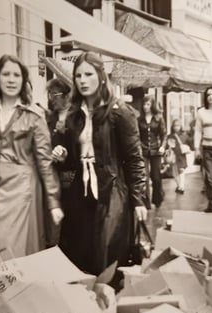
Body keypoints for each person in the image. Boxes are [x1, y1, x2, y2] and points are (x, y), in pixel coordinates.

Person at [54, 51, 147, 275]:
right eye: (78, 76)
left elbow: (134, 159)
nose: (83, 80)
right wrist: (63, 156)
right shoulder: (74, 114)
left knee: (106, 256)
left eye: (88, 74)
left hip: (111, 192)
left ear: (101, 76)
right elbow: (73, 162)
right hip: (80, 192)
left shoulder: (120, 113)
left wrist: (138, 200)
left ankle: (108, 302)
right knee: (78, 252)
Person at [0, 54, 62, 257]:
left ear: (23, 80)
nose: (11, 80)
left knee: (18, 251)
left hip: (22, 190)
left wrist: (53, 202)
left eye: (16, 75)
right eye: (6, 74)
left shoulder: (34, 116)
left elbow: (45, 163)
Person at [45, 77, 71, 247]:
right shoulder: (50, 117)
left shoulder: (76, 116)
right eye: (50, 94)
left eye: (55, 94)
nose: (51, 98)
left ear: (66, 95)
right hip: (53, 174)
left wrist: (66, 153)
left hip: (71, 176)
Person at [138, 95, 166, 208]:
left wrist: (163, 146)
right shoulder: (139, 119)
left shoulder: (158, 118)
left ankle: (157, 199)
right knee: (144, 176)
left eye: (148, 104)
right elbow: (136, 135)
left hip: (156, 150)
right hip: (143, 150)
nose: (145, 107)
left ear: (152, 105)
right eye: (144, 104)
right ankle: (146, 202)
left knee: (156, 177)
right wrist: (139, 146)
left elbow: (164, 134)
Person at [165, 119, 190, 194]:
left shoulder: (184, 135)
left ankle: (181, 187)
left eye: (178, 125)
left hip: (181, 155)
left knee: (181, 170)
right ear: (172, 127)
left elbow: (189, 143)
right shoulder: (170, 136)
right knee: (174, 172)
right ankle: (179, 185)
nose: (176, 127)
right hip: (174, 156)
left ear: (181, 126)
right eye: (175, 126)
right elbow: (168, 146)